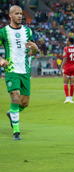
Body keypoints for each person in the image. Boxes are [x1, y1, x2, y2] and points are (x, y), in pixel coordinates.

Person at [0, 5, 38, 140]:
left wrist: (35, 48)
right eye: (16, 13)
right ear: (10, 15)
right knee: (15, 97)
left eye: (21, 13)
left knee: (24, 103)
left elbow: (31, 50)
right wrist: (1, 59)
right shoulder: (3, 32)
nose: (20, 16)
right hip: (11, 69)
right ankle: (16, 132)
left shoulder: (28, 31)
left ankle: (12, 114)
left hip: (25, 70)